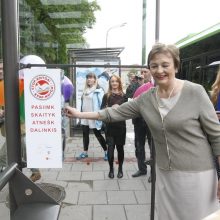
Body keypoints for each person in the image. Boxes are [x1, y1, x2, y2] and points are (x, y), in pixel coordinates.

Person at [65, 43, 220, 220]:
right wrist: (79, 114)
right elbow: (114, 112)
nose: (159, 70)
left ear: (176, 66)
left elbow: (216, 135)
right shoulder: (146, 99)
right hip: (165, 174)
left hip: (198, 175)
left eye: (165, 65)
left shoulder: (195, 92)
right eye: (154, 66)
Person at [101, 75, 127, 179]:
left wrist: (120, 108)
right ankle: (111, 169)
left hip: (120, 126)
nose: (114, 83)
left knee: (120, 149)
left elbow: (127, 111)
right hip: (110, 127)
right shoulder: (106, 96)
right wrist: (109, 108)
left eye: (116, 81)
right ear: (110, 83)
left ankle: (120, 168)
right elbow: (102, 109)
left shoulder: (124, 96)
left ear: (119, 83)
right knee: (110, 150)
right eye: (112, 81)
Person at [77, 72, 108, 160]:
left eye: (91, 78)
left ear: (95, 79)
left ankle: (106, 152)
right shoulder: (85, 90)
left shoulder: (98, 90)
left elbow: (102, 104)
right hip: (84, 116)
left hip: (94, 116)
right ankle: (85, 152)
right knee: (85, 134)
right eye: (88, 78)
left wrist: (100, 115)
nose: (89, 79)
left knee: (97, 134)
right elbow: (83, 104)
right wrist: (80, 115)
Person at [132, 69, 154, 180]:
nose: (143, 74)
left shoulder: (156, 85)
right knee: (139, 146)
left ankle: (153, 173)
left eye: (145, 71)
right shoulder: (137, 86)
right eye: (142, 72)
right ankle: (142, 169)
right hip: (139, 120)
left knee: (152, 147)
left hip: (151, 121)